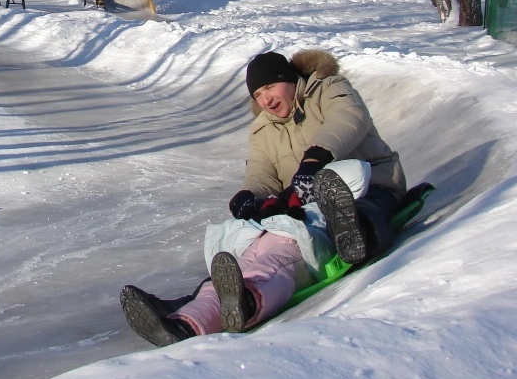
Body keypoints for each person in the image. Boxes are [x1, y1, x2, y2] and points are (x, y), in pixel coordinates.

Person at [120, 49, 407, 344]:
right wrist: (247, 196)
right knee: (257, 250)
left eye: (270, 87)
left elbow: (348, 119)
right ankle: (188, 316)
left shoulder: (329, 89)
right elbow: (261, 173)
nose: (265, 99)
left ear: (291, 80)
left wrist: (314, 160)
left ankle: (356, 236)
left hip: (374, 185)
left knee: (359, 212)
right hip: (310, 208)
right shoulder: (262, 129)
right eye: (258, 94)